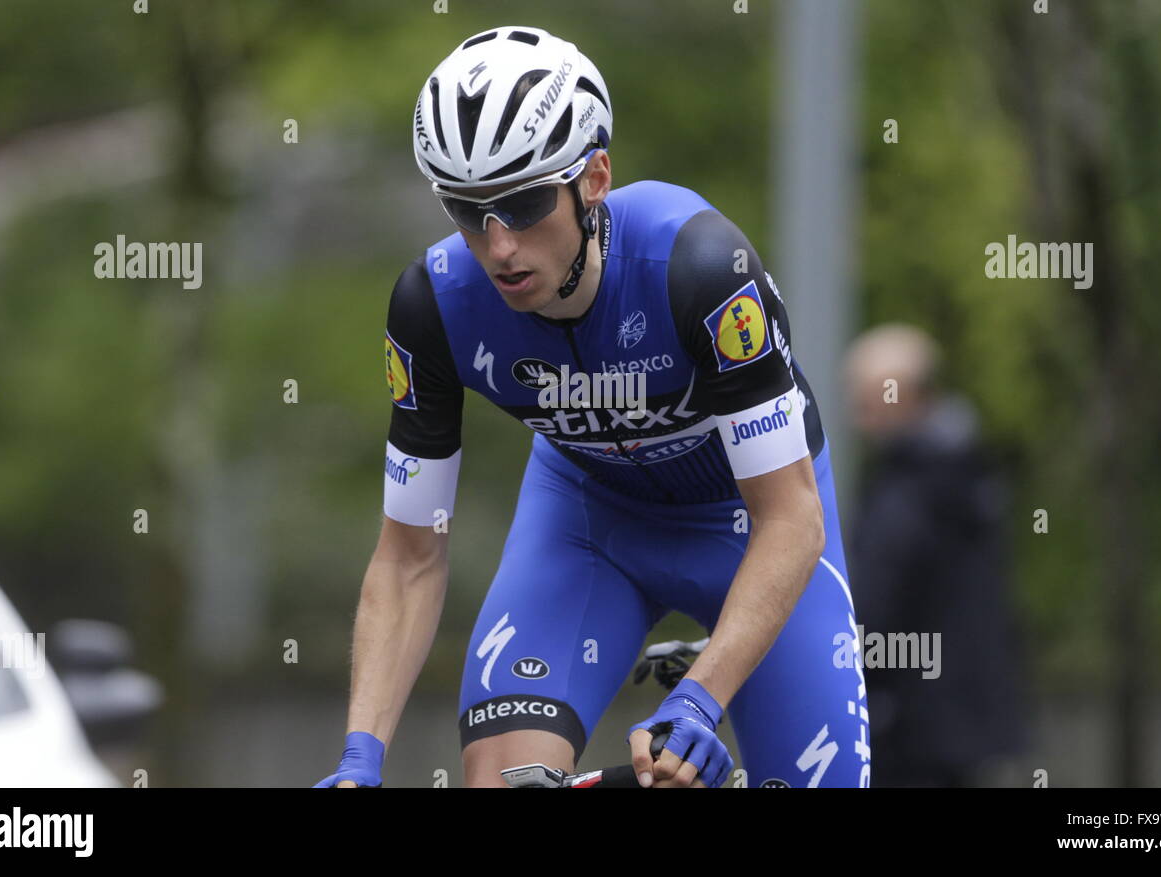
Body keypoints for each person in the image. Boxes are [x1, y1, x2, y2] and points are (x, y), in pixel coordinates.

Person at [315, 25, 869, 789]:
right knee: (503, 783)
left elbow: (792, 517)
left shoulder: (699, 268)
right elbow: (411, 553)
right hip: (587, 525)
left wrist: (701, 698)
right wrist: (358, 758)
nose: (500, 244)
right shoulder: (433, 306)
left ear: (595, 177)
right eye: (468, 209)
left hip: (753, 524)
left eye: (524, 200)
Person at [843, 324, 1027, 787]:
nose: (859, 418)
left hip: (908, 728)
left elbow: (874, 605)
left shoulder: (906, 490)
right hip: (965, 721)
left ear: (905, 396)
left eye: (868, 400)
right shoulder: (970, 472)